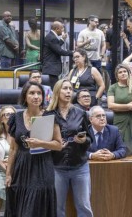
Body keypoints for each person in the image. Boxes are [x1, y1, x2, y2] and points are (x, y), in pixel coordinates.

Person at [5, 81, 62, 216]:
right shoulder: (16, 117)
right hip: (21, 167)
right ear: (25, 97)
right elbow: (13, 149)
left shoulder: (49, 116)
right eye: (32, 93)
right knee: (20, 207)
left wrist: (41, 143)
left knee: (34, 208)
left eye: (39, 93)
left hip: (42, 167)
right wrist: (8, 173)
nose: (36, 96)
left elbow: (58, 145)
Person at [45, 79, 93, 217]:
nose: (68, 92)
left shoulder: (80, 113)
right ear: (57, 91)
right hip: (57, 167)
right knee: (57, 207)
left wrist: (83, 140)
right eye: (65, 88)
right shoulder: (48, 114)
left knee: (84, 206)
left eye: (70, 89)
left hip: (79, 166)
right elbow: (42, 141)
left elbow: (90, 139)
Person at [108, 64, 132, 155]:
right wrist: (127, 107)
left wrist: (118, 107)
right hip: (118, 120)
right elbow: (110, 106)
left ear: (128, 73)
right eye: (120, 72)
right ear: (116, 75)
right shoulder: (113, 87)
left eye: (124, 71)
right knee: (118, 144)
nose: (123, 74)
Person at [42, 21, 73, 89]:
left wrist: (62, 39)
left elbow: (56, 47)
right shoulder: (52, 37)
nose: (63, 30)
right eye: (62, 28)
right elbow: (59, 51)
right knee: (53, 89)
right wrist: (73, 53)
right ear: (57, 29)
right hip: (51, 69)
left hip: (50, 68)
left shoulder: (51, 36)